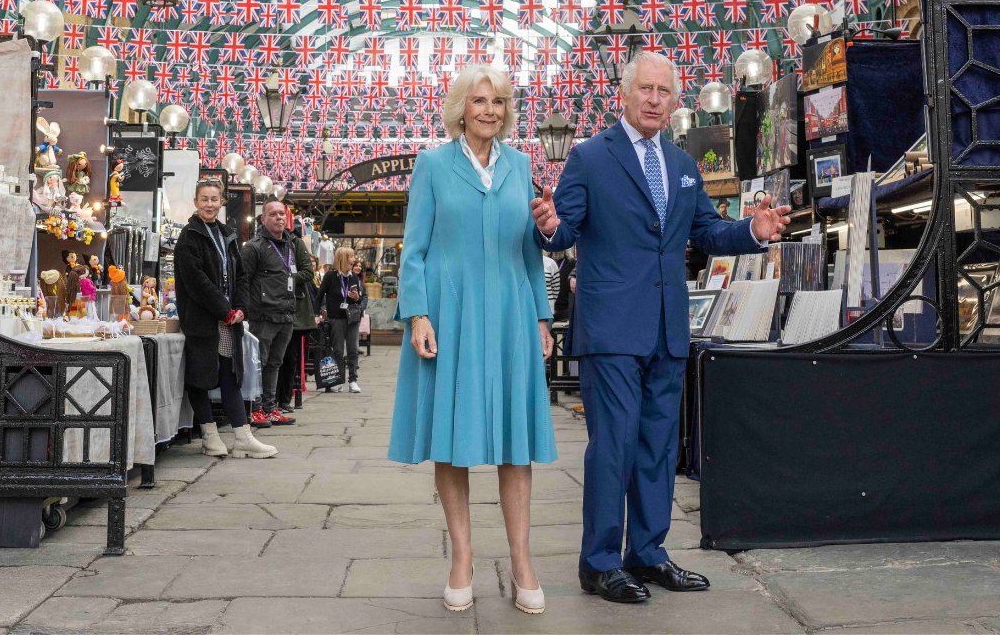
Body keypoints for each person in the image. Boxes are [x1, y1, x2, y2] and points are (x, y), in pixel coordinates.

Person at [531, 51, 790, 605]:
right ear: (624, 94)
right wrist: (550, 226)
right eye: (644, 89)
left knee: (655, 448)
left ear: (676, 102)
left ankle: (646, 553)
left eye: (663, 92)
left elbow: (709, 234)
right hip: (610, 330)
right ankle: (599, 563)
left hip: (669, 330)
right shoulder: (588, 157)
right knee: (614, 446)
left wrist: (754, 230)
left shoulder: (683, 165)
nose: (653, 99)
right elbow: (563, 229)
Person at [389, 64, 555, 616]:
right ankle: (462, 557)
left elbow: (531, 252)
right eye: (480, 101)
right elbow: (413, 249)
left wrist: (541, 317)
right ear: (461, 108)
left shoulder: (523, 166)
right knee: (451, 436)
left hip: (510, 313)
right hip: (450, 313)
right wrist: (416, 314)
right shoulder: (432, 166)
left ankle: (522, 559)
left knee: (515, 439)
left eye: (500, 102)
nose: (490, 110)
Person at [173, 178, 276, 460]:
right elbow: (196, 281)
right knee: (200, 377)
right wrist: (224, 309)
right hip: (203, 320)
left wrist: (241, 307)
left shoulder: (227, 234)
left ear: (222, 202)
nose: (209, 204)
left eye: (214, 199)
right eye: (204, 199)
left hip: (229, 320)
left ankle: (242, 436)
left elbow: (241, 275)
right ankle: (209, 436)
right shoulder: (189, 236)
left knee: (231, 376)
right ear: (196, 202)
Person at [240, 199, 299, 428]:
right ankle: (255, 409)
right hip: (263, 316)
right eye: (273, 214)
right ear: (263, 219)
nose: (278, 218)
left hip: (286, 314)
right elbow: (243, 280)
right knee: (258, 363)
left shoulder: (289, 245)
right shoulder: (254, 247)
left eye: (281, 214)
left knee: (275, 363)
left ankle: (270, 408)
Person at [275, 226, 318, 412]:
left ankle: (283, 400)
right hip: (268, 306)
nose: (278, 218)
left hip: (293, 309)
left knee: (289, 356)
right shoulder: (260, 242)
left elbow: (308, 272)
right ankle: (269, 402)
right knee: (271, 357)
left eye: (281, 215)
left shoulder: (295, 243)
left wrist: (284, 278)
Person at [314, 247, 367, 393]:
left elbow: (359, 298)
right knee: (338, 350)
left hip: (352, 318)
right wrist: (316, 315)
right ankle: (338, 380)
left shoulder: (353, 277)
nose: (354, 260)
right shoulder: (330, 276)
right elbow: (319, 297)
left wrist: (356, 297)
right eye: (351, 257)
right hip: (336, 318)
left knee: (353, 350)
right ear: (343, 258)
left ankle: (353, 380)